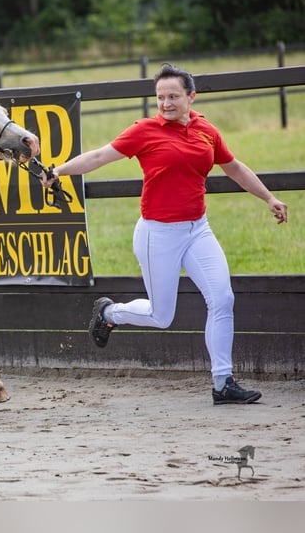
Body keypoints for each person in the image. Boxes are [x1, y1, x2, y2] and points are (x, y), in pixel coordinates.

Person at [42, 62, 288, 405]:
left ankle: (223, 383)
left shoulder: (206, 130)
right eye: (160, 97)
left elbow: (232, 166)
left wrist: (269, 198)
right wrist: (59, 171)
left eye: (173, 96)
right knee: (162, 316)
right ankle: (109, 313)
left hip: (198, 230)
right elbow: (99, 156)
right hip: (157, 233)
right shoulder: (144, 130)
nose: (166, 103)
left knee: (223, 299)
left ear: (191, 97)